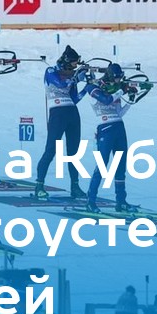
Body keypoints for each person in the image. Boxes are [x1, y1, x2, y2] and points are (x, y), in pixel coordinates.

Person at [84, 64, 140, 214]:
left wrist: (130, 100)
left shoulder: (116, 89)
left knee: (121, 166)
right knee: (102, 166)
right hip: (105, 129)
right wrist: (122, 90)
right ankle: (91, 201)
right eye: (116, 77)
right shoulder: (93, 88)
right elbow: (106, 100)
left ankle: (121, 201)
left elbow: (119, 113)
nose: (118, 80)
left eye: (120, 78)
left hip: (119, 127)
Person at [34, 46, 88, 200]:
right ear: (66, 61)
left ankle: (75, 186)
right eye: (73, 63)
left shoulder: (71, 76)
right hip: (57, 113)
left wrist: (87, 88)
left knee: (74, 153)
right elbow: (61, 84)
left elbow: (74, 99)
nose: (75, 66)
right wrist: (77, 78)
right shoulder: (51, 71)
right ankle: (39, 185)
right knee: (51, 150)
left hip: (72, 113)